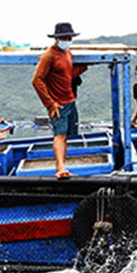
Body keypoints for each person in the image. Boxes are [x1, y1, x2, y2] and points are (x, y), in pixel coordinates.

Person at [32, 22, 88, 179]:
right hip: (58, 104)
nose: (67, 40)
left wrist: (88, 65)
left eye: (69, 37)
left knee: (67, 136)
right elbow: (37, 80)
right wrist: (50, 103)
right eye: (64, 37)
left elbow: (68, 73)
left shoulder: (67, 53)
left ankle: (63, 165)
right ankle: (60, 168)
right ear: (56, 39)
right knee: (60, 135)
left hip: (70, 100)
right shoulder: (48, 56)